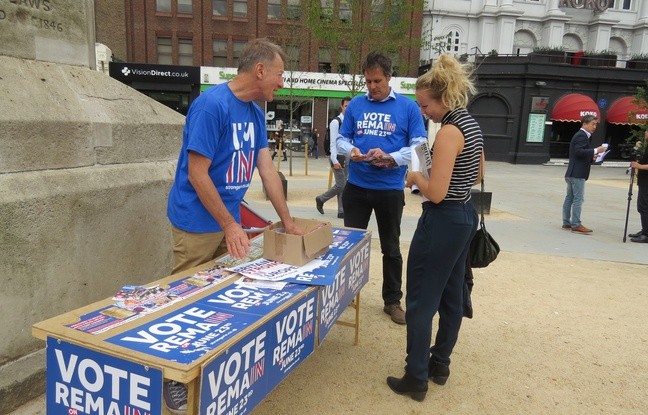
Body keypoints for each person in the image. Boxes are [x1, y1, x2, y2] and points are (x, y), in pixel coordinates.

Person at [165, 38, 302, 413]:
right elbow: (197, 173)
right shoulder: (211, 106)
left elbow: (267, 169)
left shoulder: (256, 112)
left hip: (229, 224)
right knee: (186, 299)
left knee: (224, 299)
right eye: (279, 74)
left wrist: (287, 221)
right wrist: (229, 224)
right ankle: (173, 377)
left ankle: (208, 364)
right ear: (260, 70)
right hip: (197, 223)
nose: (282, 82)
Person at [386, 53, 484, 401]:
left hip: (442, 220)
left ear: (442, 98)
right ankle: (440, 363)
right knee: (452, 295)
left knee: (420, 301)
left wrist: (415, 176)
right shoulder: (471, 125)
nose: (423, 111)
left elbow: (437, 193)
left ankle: (416, 377)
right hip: (464, 217)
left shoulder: (448, 133)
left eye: (425, 105)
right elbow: (478, 174)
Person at [337, 52, 427, 324]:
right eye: (368, 81)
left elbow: (419, 145)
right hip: (357, 187)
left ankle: (392, 301)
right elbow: (341, 138)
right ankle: (345, 295)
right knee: (349, 246)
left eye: (377, 81)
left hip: (389, 188)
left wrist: (391, 158)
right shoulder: (355, 105)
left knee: (391, 247)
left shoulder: (408, 108)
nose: (372, 86)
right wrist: (351, 150)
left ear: (389, 77)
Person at [561, 115, 607, 234]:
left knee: (570, 198)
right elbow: (579, 152)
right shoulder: (581, 135)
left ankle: (567, 222)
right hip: (577, 173)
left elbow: (580, 154)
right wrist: (596, 150)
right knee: (578, 198)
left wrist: (592, 156)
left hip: (573, 172)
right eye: (592, 124)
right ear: (585, 124)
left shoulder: (582, 135)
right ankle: (576, 224)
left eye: (596, 124)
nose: (594, 127)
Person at [316, 97, 351, 219]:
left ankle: (341, 210)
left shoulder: (350, 122)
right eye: (346, 105)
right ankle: (321, 199)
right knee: (341, 184)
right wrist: (334, 160)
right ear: (341, 107)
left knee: (343, 183)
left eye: (350, 106)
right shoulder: (336, 122)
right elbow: (333, 142)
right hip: (337, 157)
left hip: (347, 157)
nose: (348, 108)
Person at [628, 130, 648, 243]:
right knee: (642, 206)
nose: (645, 133)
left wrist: (639, 166)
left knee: (644, 206)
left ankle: (646, 233)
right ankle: (645, 229)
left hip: (646, 181)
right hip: (643, 179)